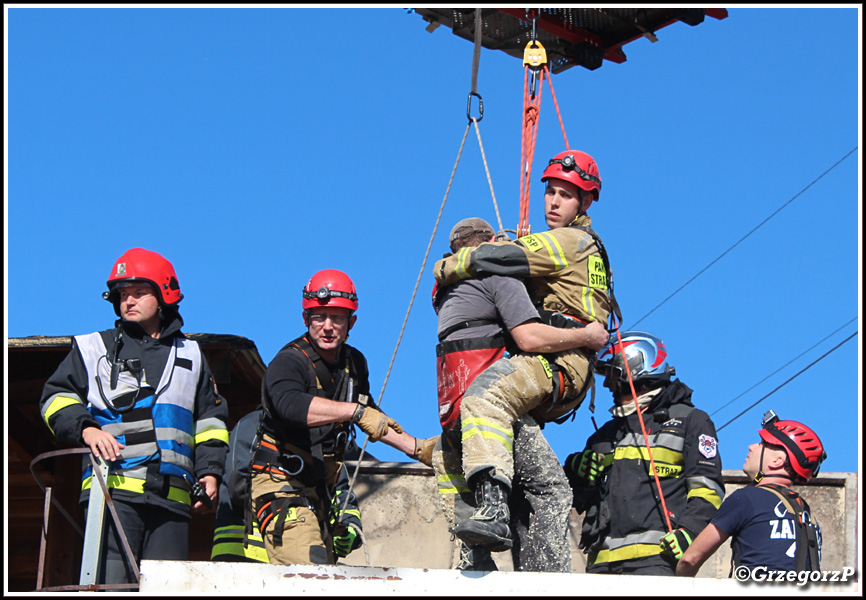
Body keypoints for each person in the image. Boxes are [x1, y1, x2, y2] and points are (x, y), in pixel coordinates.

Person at [432, 150, 620, 553]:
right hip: (560, 362)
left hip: (557, 362)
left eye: (566, 195)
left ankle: (493, 509)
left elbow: (497, 259)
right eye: (551, 192)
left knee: (485, 396)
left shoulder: (569, 240)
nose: (553, 202)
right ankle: (488, 521)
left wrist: (448, 267)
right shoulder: (581, 245)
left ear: (585, 202)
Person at [39, 247, 229, 586]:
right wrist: (87, 430)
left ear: (164, 295)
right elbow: (55, 397)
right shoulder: (92, 348)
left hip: (173, 501)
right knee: (112, 588)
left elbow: (210, 422)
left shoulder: (193, 356)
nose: (128, 301)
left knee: (166, 590)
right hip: (112, 493)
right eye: (123, 294)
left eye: (139, 293)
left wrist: (211, 474)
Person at [249, 269, 431, 565]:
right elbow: (289, 406)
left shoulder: (354, 364)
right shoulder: (290, 362)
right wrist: (354, 412)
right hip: (282, 482)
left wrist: (419, 449)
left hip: (322, 489)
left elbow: (372, 416)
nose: (328, 326)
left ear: (352, 323)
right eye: (319, 317)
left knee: (329, 577)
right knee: (310, 575)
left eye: (337, 318)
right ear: (306, 319)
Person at [564, 330, 725, 576]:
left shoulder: (690, 422)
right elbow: (574, 499)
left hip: (656, 562)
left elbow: (708, 490)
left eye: (612, 375)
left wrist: (689, 533)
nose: (607, 384)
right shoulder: (604, 435)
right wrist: (574, 470)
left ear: (635, 369)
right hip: (600, 567)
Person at [677, 411, 825, 577]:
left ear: (777, 461)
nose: (752, 447)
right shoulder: (806, 513)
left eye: (762, 443)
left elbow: (690, 559)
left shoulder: (747, 499)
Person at [211, 409, 363, 564]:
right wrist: (296, 510)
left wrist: (350, 525)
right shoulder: (253, 423)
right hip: (244, 555)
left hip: (304, 552)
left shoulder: (321, 435)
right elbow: (238, 487)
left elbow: (340, 489)